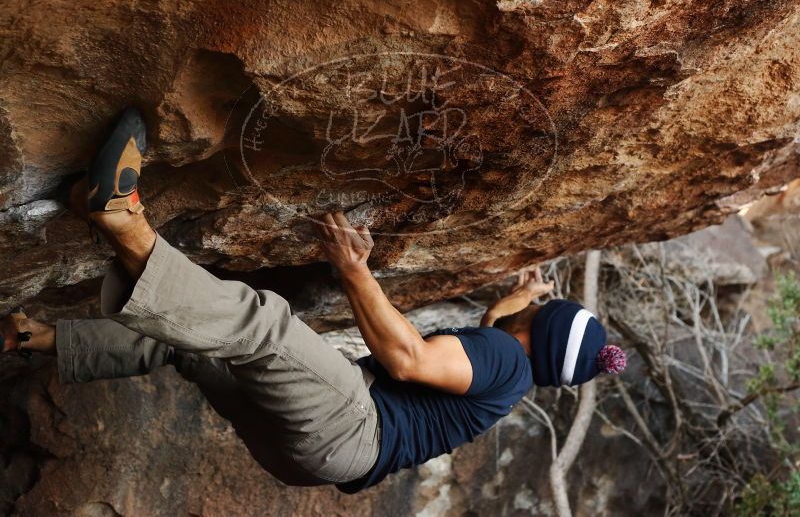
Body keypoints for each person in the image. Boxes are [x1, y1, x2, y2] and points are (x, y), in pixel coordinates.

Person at [0, 108, 626, 493]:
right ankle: (35, 337)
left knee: (262, 327)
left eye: (540, 311)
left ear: (536, 331)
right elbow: (488, 335)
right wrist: (520, 297)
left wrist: (354, 270)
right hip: (314, 461)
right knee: (195, 343)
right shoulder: (509, 374)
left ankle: (118, 215)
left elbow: (409, 358)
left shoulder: (503, 361)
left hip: (353, 426)